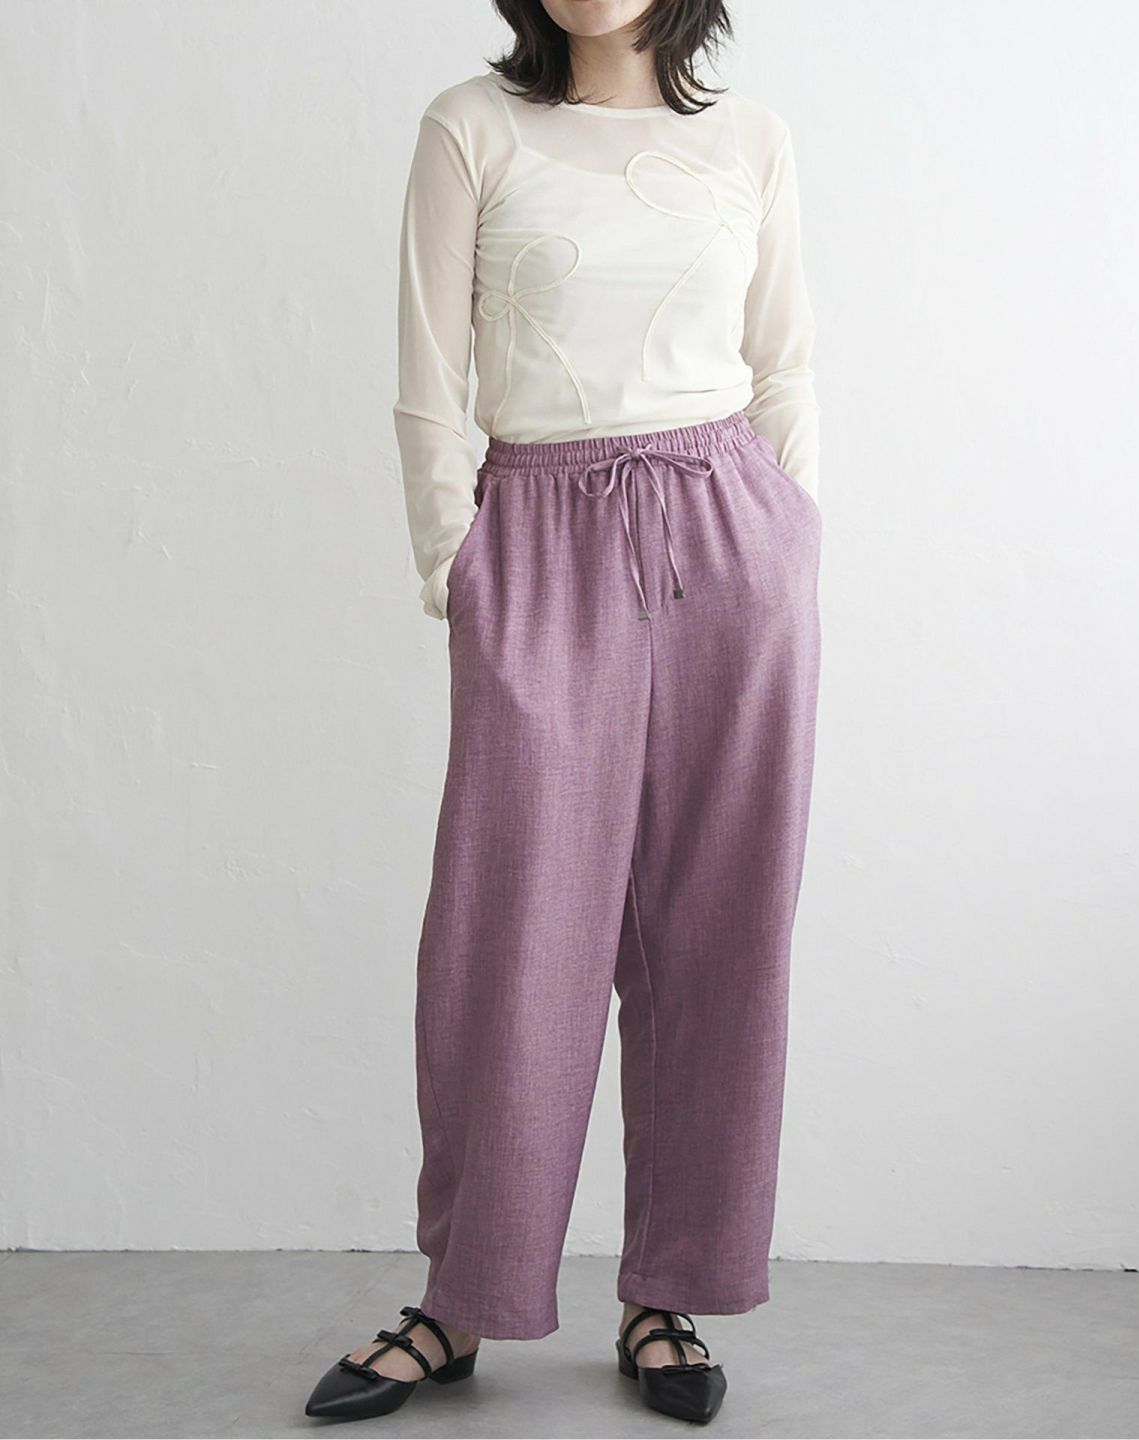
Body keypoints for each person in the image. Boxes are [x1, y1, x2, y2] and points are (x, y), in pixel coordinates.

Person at [305, 0, 822, 1425]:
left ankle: (670, 1289)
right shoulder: (472, 128)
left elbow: (785, 361)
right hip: (536, 531)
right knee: (511, 929)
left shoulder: (752, 142)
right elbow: (429, 373)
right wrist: (456, 568)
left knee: (718, 924)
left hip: (731, 535)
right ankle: (460, 1299)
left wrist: (793, 538)